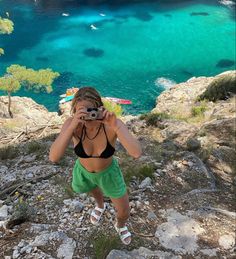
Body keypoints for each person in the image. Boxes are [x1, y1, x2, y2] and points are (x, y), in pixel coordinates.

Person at [49, 87, 142, 245]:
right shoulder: (72, 125)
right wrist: (72, 127)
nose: (87, 115)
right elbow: (54, 157)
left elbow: (136, 153)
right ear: (74, 111)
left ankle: (120, 225)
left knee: (124, 211)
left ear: (99, 108)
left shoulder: (112, 125)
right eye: (81, 111)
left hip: (108, 174)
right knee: (94, 189)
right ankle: (100, 205)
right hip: (84, 172)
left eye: (90, 110)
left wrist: (116, 125)